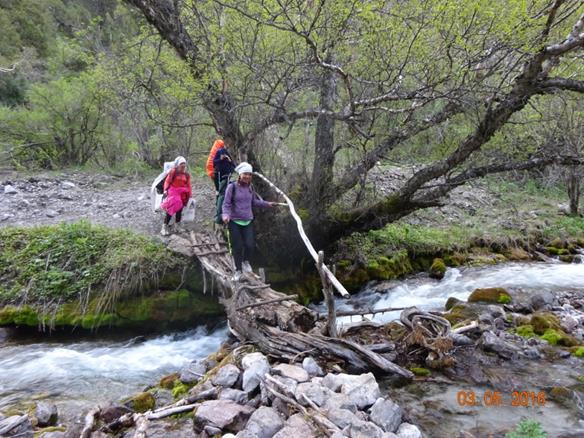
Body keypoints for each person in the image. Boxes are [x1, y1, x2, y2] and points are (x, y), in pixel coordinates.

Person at [222, 162, 276, 281]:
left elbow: (254, 202)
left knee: (250, 245)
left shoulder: (250, 188)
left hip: (247, 220)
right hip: (234, 221)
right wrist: (225, 215)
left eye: (249, 174)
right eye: (245, 174)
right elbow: (226, 204)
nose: (247, 176)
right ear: (240, 175)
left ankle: (246, 262)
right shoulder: (232, 187)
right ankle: (238, 271)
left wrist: (267, 204)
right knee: (237, 246)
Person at [160, 156, 192, 236]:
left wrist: (190, 195)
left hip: (182, 193)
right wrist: (165, 190)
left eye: (184, 165)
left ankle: (177, 227)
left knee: (179, 209)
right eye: (182, 165)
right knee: (173, 207)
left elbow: (188, 185)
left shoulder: (186, 175)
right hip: (173, 191)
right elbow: (167, 181)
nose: (183, 167)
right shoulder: (173, 171)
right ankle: (164, 227)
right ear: (178, 165)